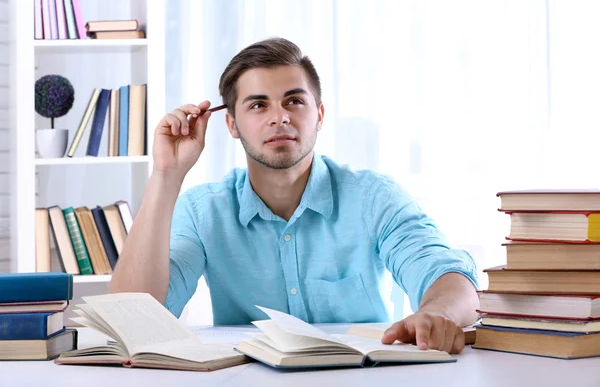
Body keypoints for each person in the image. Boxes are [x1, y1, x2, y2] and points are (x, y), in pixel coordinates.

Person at [110, 37, 480, 354]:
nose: (279, 118)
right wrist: (166, 174)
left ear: (319, 115)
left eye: (294, 101)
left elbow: (448, 276)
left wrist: (440, 315)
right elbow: (133, 318)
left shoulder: (374, 198)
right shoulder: (204, 209)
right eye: (258, 105)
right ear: (231, 124)